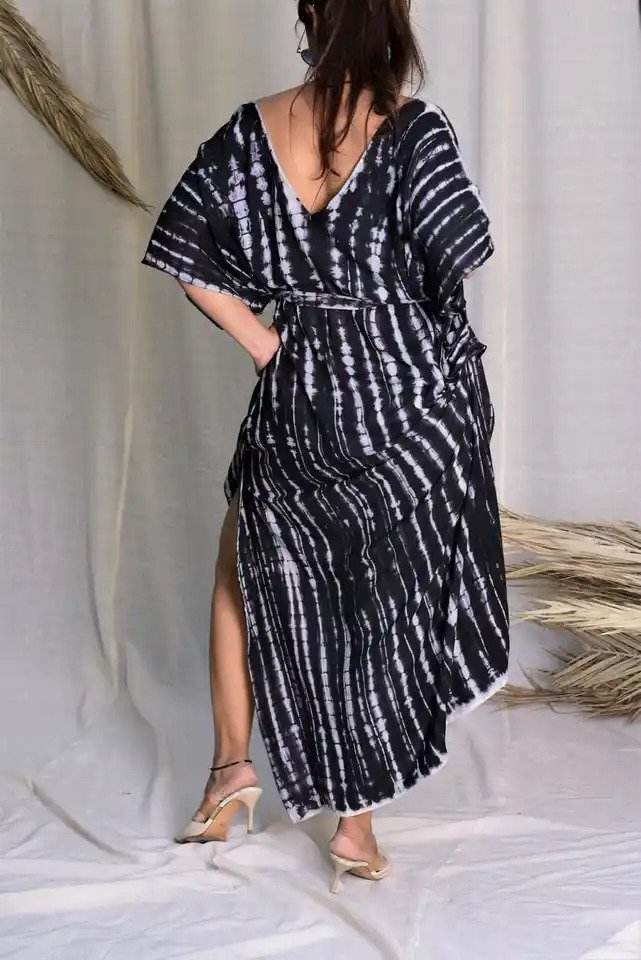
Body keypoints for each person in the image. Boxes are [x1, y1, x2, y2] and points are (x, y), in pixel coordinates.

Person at [140, 0, 510, 895]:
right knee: (375, 597)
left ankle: (230, 774)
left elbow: (186, 252)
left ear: (309, 14)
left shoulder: (252, 129)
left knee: (242, 567)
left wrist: (271, 345)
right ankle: (353, 826)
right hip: (400, 395)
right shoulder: (412, 130)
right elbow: (462, 251)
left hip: (299, 390)